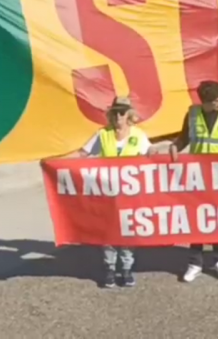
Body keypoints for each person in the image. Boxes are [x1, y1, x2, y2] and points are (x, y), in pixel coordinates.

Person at [170, 80, 218, 283]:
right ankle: (195, 263)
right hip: (198, 176)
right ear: (205, 101)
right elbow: (185, 137)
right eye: (216, 101)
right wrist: (176, 146)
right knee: (197, 219)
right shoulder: (193, 114)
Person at [72, 96, 150, 289]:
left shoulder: (138, 135)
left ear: (129, 115)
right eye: (115, 112)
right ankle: (109, 269)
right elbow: (82, 154)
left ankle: (126, 269)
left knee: (127, 232)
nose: (118, 116)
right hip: (106, 193)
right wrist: (55, 162)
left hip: (129, 194)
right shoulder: (102, 134)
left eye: (122, 112)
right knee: (108, 233)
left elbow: (151, 156)